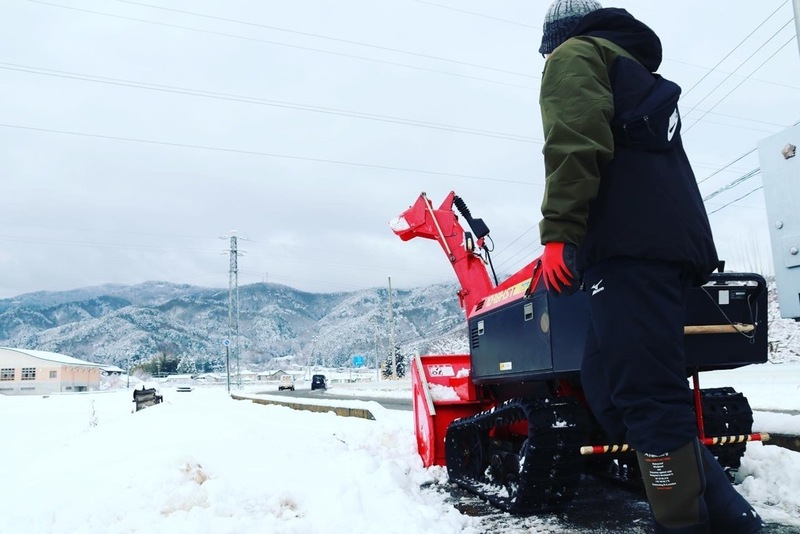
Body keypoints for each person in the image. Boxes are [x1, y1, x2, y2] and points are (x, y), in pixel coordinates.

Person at [535, 1, 763, 532]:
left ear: (557, 36)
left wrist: (559, 231)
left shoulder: (576, 54)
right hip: (653, 244)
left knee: (644, 393)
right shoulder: (632, 69)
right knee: (609, 386)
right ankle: (733, 517)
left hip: (629, 246)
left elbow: (573, 138)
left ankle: (682, 523)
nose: (547, 58)